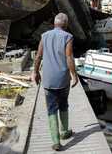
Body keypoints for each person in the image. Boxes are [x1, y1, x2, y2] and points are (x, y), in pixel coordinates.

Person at [32, 13, 79, 151]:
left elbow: (38, 56)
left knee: (51, 108)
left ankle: (56, 141)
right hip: (63, 79)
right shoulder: (68, 37)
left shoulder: (44, 36)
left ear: (54, 24)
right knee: (63, 104)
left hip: (48, 79)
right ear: (66, 25)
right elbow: (69, 57)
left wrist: (35, 72)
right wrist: (74, 75)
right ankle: (64, 132)